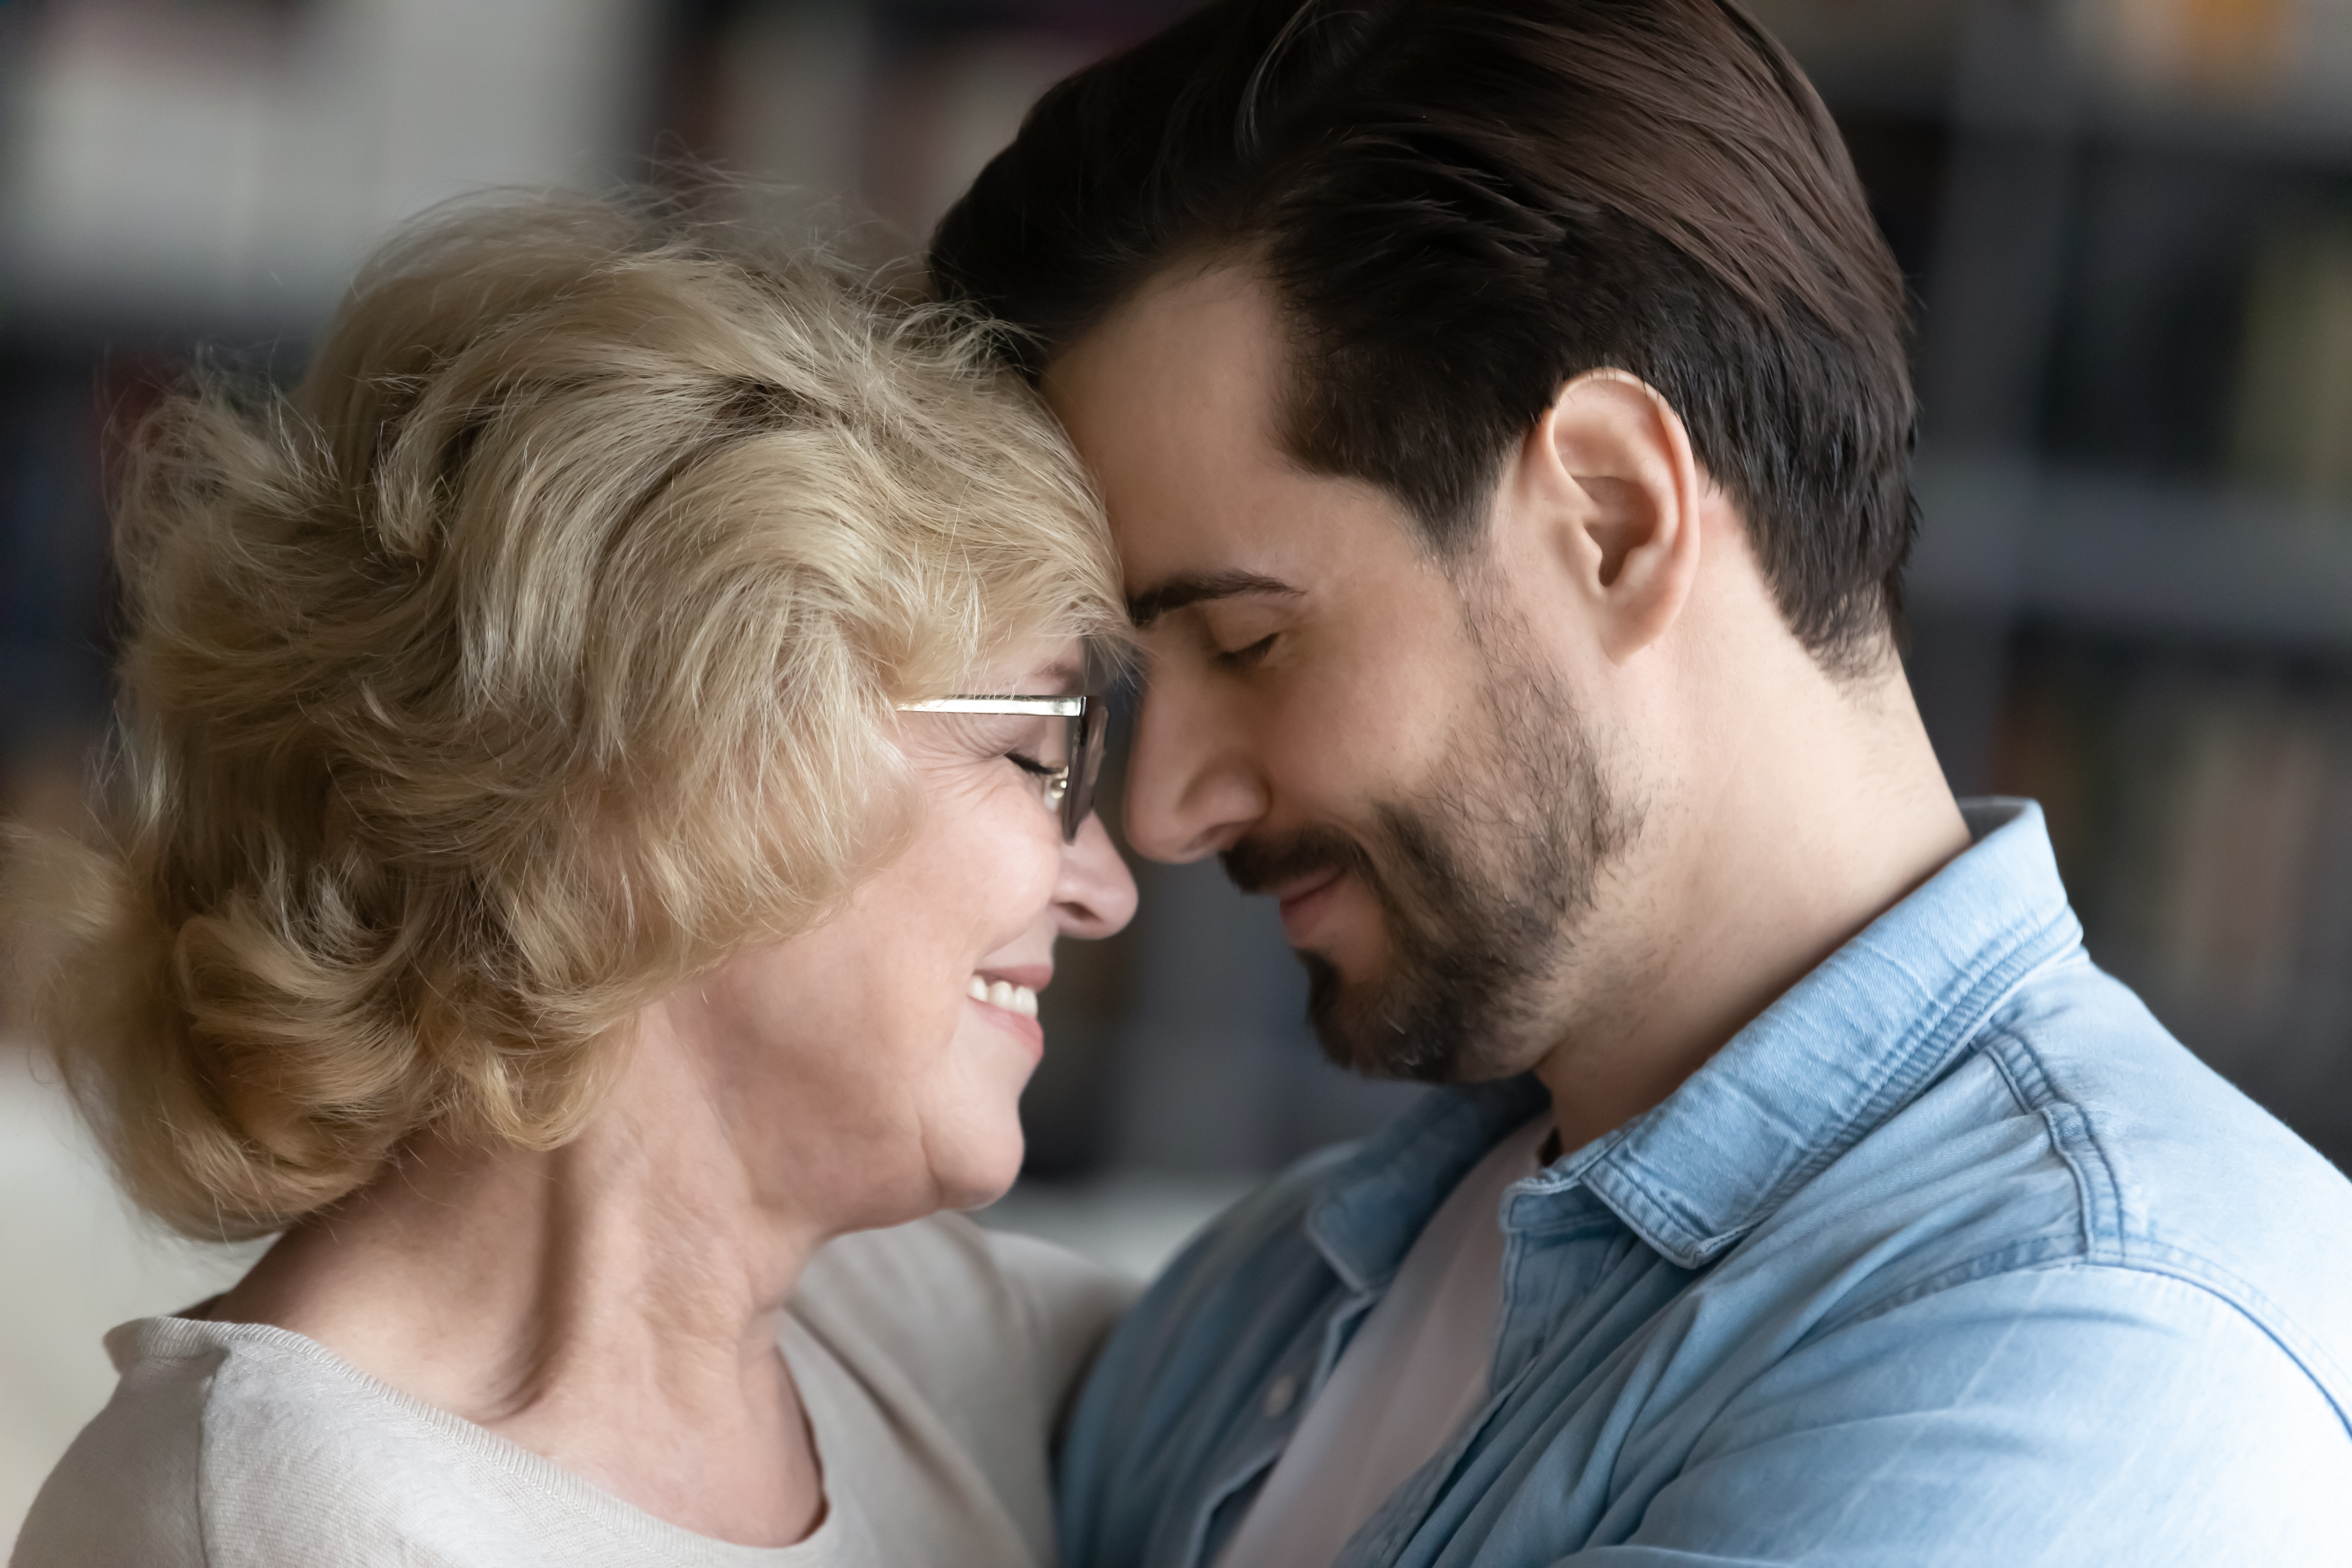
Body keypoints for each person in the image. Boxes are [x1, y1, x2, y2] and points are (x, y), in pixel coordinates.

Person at [927, 1, 2352, 1563]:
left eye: (1252, 640)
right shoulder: (1287, 1286)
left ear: (1611, 514)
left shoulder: (2096, 1343)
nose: (1157, 814)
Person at [3, 192, 1140, 1566]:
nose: (1107, 886)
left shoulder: (928, 1338)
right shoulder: (286, 1515)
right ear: (693, 763)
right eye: (1034, 749)